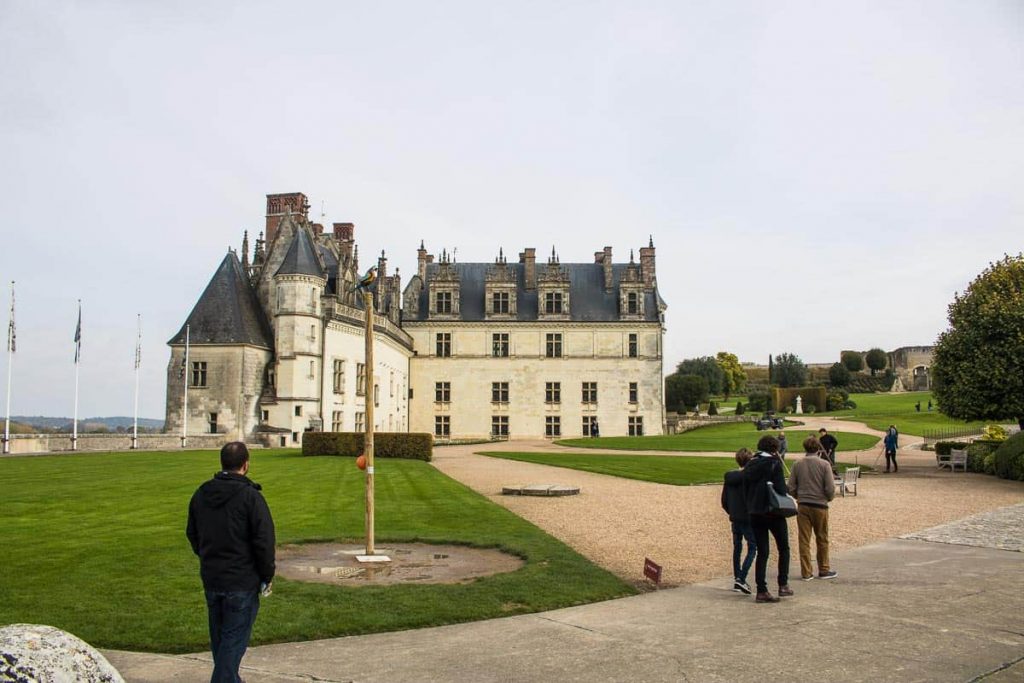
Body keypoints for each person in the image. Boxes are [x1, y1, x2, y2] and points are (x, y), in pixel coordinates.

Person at [187, 442, 276, 683]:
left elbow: (192, 533)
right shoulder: (250, 498)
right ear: (246, 465)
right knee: (233, 641)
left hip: (213, 577)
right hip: (241, 580)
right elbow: (264, 541)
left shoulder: (202, 493)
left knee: (222, 640)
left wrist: (208, 556)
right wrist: (267, 575)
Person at [741, 435, 792, 603]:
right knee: (783, 548)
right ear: (774, 448)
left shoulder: (750, 464)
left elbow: (745, 490)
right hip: (772, 512)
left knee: (763, 552)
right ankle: (783, 584)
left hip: (755, 512)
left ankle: (761, 590)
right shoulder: (774, 464)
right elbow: (781, 490)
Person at [788, 437, 837, 581]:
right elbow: (830, 488)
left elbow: (791, 487)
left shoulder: (797, 464)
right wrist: (828, 498)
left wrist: (798, 496)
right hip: (820, 505)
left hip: (803, 505)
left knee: (804, 539)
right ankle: (823, 569)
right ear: (818, 448)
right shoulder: (824, 464)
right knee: (822, 538)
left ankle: (806, 571)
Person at [721, 448, 756, 595]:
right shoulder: (750, 478)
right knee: (753, 547)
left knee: (737, 548)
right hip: (747, 518)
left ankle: (737, 577)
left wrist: (732, 512)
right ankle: (741, 578)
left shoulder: (729, 477)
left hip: (735, 517)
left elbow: (724, 501)